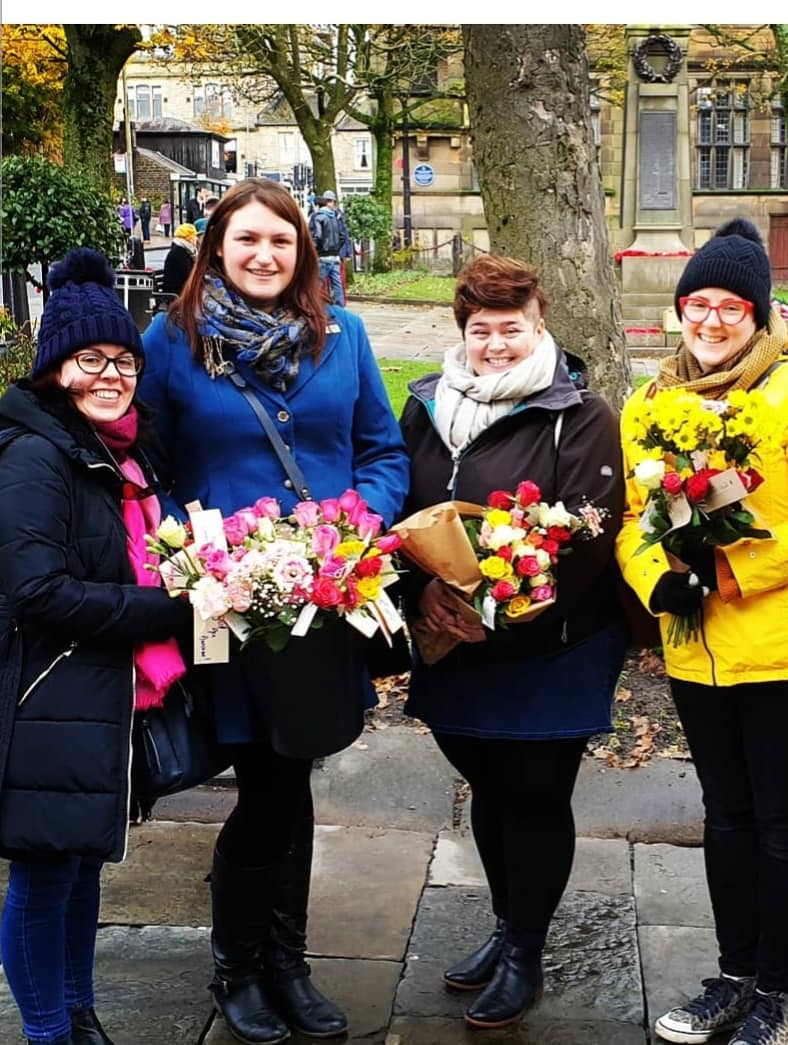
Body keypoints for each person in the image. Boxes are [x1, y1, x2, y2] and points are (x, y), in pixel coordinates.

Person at [138, 177, 409, 1045]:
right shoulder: (172, 342)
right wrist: (202, 551)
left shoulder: (346, 336)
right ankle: (242, 965)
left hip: (324, 603)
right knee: (267, 782)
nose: (263, 255)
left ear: (304, 252)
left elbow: (382, 449)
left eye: (280, 242)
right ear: (217, 245)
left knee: (292, 778)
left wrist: (352, 529)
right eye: (246, 239)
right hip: (227, 603)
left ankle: (283, 962)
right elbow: (147, 471)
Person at [617, 220, 788, 1045]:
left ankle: (775, 993)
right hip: (698, 651)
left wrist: (731, 572)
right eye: (699, 304)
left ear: (760, 315)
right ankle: (734, 972)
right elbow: (630, 525)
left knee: (783, 822)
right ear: (680, 311)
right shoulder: (650, 404)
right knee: (726, 816)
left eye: (732, 306)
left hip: (787, 646)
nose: (712, 321)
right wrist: (659, 581)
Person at [398, 254, 628, 1029]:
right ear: (463, 330)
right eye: (482, 329)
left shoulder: (579, 411)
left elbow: (591, 532)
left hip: (548, 642)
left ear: (541, 325)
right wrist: (425, 590)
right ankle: (505, 927)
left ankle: (525, 951)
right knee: (488, 787)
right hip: (452, 639)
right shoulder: (428, 403)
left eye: (513, 328)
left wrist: (503, 600)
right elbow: (400, 505)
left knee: (531, 793)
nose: (497, 344)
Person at [0, 248, 193, 1045]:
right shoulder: (36, 455)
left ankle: (79, 1013)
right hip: (48, 697)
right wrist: (168, 610)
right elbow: (35, 590)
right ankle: (48, 1032)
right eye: (91, 359)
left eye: (123, 359)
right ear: (56, 370)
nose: (112, 374)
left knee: (81, 868)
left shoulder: (121, 449)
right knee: (44, 877)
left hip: (100, 696)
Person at [308, 191, 346, 306]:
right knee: (337, 284)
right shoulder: (334, 217)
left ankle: (314, 306)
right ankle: (340, 307)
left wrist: (315, 248)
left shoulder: (319, 217)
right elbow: (342, 236)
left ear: (317, 205)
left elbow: (317, 236)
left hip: (323, 256)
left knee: (316, 283)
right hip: (335, 256)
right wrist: (336, 249)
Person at [162, 223, 198, 298]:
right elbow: (189, 275)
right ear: (189, 238)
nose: (196, 239)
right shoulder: (178, 253)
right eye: (195, 236)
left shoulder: (184, 250)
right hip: (177, 294)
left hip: (183, 290)